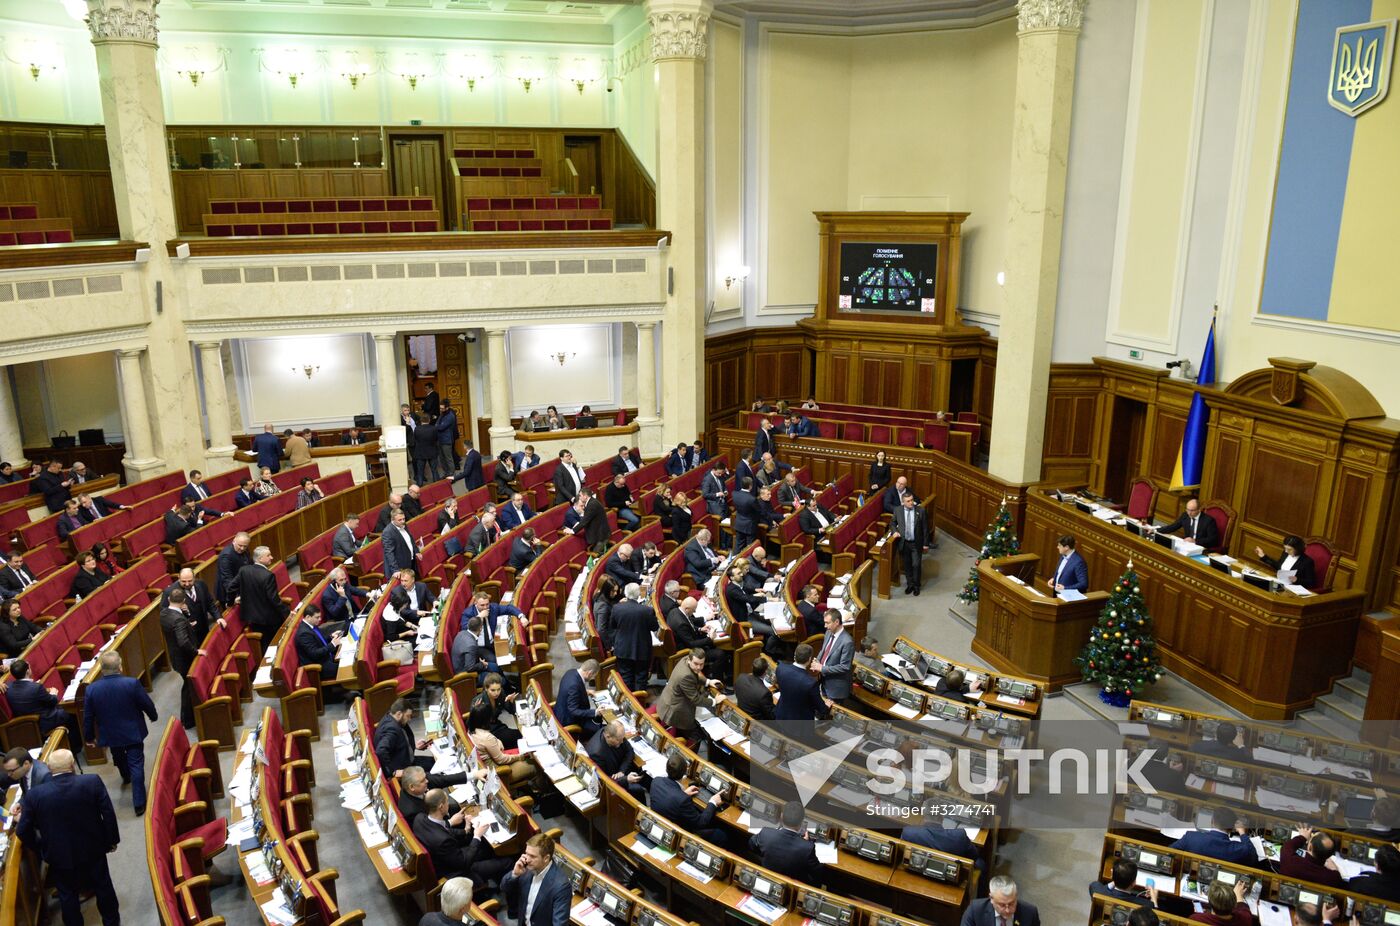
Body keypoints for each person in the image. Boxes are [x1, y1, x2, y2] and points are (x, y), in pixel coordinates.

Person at [15, 749, 121, 926]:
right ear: (72, 765)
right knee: (103, 887)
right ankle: (112, 922)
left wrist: (41, 848)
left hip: (59, 854)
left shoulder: (35, 795)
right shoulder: (91, 781)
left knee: (68, 895)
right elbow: (108, 814)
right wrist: (111, 841)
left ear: (49, 768)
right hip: (93, 848)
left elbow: (23, 830)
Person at [82, 651, 158, 814]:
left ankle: (125, 774)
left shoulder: (92, 690)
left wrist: (88, 737)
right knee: (136, 763)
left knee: (118, 756)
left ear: (102, 669)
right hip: (132, 732)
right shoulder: (131, 684)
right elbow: (146, 703)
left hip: (110, 734)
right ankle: (139, 803)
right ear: (120, 667)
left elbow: (88, 716)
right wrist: (153, 716)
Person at [413, 788, 512, 890]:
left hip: (448, 857)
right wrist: (477, 835)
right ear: (441, 807)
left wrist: (466, 829)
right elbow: (464, 863)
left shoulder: (419, 819)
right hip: (456, 871)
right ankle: (501, 889)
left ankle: (493, 874)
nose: (448, 804)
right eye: (447, 801)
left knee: (485, 848)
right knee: (507, 862)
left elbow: (443, 830)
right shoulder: (443, 841)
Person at [375, 698, 465, 787]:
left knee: (440, 762)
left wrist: (413, 746)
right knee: (440, 774)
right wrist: (393, 772)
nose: (410, 719)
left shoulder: (390, 716)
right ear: (399, 714)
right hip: (405, 768)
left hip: (407, 758)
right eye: (408, 716)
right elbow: (381, 751)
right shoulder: (391, 729)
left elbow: (396, 744)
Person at [650, 752, 731, 849]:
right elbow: (701, 823)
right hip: (680, 832)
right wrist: (712, 802)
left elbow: (671, 796)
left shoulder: (656, 781)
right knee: (721, 835)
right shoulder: (682, 800)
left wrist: (682, 793)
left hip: (660, 822)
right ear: (685, 772)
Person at [2, 657, 82, 747]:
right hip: (45, 720)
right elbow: (53, 701)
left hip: (28, 723)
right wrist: (53, 693)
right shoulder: (36, 688)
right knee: (72, 715)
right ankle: (76, 747)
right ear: (28, 671)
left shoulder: (8, 687)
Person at [501, 833, 570, 926]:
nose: (527, 859)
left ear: (546, 858)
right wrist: (515, 874)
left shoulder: (561, 886)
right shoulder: (525, 868)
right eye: (526, 854)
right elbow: (504, 888)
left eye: (532, 856)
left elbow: (559, 924)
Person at [656, 647, 721, 741]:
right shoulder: (685, 676)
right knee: (696, 737)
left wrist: (708, 682)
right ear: (690, 660)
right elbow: (696, 699)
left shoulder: (685, 659)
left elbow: (695, 674)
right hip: (675, 711)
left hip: (669, 700)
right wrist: (715, 701)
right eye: (696, 664)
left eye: (701, 664)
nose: (699, 667)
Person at [751, 801, 822, 886]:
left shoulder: (766, 833)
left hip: (766, 880)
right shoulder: (807, 847)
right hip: (791, 887)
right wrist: (805, 843)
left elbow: (751, 845)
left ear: (781, 817)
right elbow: (818, 873)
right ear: (801, 822)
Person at [160, 588, 201, 728]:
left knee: (188, 686)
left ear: (168, 600)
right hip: (184, 659)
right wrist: (196, 651)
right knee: (189, 687)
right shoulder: (178, 619)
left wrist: (187, 622)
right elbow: (183, 642)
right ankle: (188, 720)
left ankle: (188, 719)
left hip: (175, 657)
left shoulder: (164, 613)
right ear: (184, 601)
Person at [1170, 807, 1257, 864]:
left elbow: (1169, 852)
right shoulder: (1237, 849)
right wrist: (1242, 833)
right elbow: (1253, 857)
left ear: (1211, 822)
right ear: (1233, 828)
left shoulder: (1190, 837)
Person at [237, 545, 291, 638]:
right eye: (269, 555)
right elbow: (273, 599)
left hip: (252, 618)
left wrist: (230, 602)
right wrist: (287, 612)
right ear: (260, 559)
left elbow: (231, 587)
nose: (272, 557)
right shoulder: (268, 575)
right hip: (268, 620)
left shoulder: (243, 570)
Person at [612, 583, 658, 690]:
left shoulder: (617, 608)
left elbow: (613, 626)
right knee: (641, 677)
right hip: (641, 648)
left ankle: (627, 703)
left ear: (625, 594)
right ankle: (639, 702)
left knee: (625, 677)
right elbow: (654, 627)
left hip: (623, 648)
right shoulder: (647, 610)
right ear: (638, 594)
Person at [586, 721, 646, 802]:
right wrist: (626, 779)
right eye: (619, 740)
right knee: (638, 790)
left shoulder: (616, 734)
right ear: (608, 736)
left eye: (622, 738)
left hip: (619, 769)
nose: (622, 742)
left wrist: (621, 771)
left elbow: (630, 751)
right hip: (611, 783)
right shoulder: (597, 754)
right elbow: (604, 781)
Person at [775, 644, 831, 723]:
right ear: (809, 659)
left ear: (795, 656)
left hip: (780, 717)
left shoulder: (780, 668)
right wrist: (826, 706)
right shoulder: (811, 683)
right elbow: (821, 709)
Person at [961, 875, 1041, 926]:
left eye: (1011, 903)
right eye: (1002, 905)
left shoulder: (1030, 912)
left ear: (1016, 896)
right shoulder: (975, 910)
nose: (1007, 910)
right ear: (991, 898)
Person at [1279, 826, 1344, 888]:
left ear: (1310, 847)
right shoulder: (1332, 878)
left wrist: (1303, 837)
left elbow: (1287, 846)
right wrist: (1334, 869)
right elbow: (1337, 877)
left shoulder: (1291, 861)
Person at [892, 491, 930, 595]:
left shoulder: (920, 511)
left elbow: (925, 528)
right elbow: (893, 522)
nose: (911, 503)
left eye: (912, 500)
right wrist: (895, 531)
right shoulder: (898, 510)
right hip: (904, 543)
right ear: (903, 502)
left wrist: (926, 544)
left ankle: (917, 585)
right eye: (908, 501)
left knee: (916, 565)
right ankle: (910, 584)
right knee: (907, 565)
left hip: (916, 543)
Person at [294, 603, 341, 684]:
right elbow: (314, 653)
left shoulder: (311, 625)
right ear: (308, 617)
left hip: (326, 658)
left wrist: (331, 636)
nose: (320, 619)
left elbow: (319, 640)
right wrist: (332, 644)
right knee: (344, 667)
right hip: (319, 667)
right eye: (317, 617)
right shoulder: (303, 634)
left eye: (320, 616)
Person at [553, 659, 601, 737]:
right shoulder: (574, 686)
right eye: (594, 676)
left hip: (560, 711)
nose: (593, 678)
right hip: (569, 721)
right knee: (601, 730)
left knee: (598, 720)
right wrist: (595, 712)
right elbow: (573, 711)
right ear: (590, 673)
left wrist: (586, 691)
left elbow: (570, 691)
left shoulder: (571, 672)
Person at [815, 609, 853, 703]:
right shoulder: (828, 633)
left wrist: (822, 668)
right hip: (824, 681)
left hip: (836, 688)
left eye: (827, 623)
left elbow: (845, 667)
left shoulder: (847, 642)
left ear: (836, 622)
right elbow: (823, 650)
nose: (825, 626)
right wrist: (817, 661)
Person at [1152, 497, 1219, 549]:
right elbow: (1173, 526)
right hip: (1186, 545)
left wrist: (1195, 541)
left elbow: (1212, 540)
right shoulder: (1185, 515)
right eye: (1187, 510)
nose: (1189, 513)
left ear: (1199, 510)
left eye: (1192, 510)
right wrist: (1155, 530)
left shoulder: (1208, 521)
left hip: (1200, 547)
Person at [1253, 534, 1317, 589]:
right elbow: (1278, 567)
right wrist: (1263, 556)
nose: (1286, 551)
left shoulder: (1307, 562)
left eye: (1289, 549)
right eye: (1285, 548)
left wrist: (1297, 580)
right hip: (1279, 583)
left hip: (1292, 589)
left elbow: (1311, 582)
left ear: (1298, 548)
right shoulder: (1285, 553)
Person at [474, 674, 521, 748]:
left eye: (498, 689)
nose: (496, 693)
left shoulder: (501, 693)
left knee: (519, 734)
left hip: (498, 726)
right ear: (486, 688)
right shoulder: (478, 701)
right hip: (487, 733)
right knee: (518, 737)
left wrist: (510, 702)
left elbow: (511, 711)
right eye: (493, 690)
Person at [1089, 858, 1156, 907]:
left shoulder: (1095, 888)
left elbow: (1096, 886)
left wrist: (1115, 878)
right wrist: (1154, 899)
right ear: (1133, 883)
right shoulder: (1147, 905)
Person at [459, 589, 524, 637]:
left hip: (493, 640)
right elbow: (465, 630)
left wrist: (521, 616)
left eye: (487, 604)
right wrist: (479, 617)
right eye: (482, 605)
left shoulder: (493, 608)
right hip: (479, 645)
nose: (485, 607)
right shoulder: (468, 613)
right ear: (475, 603)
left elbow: (509, 608)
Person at [216, 532, 253, 607]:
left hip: (240, 588)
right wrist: (233, 597)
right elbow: (227, 578)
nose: (242, 548)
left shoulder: (245, 550)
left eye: (245, 546)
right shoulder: (226, 556)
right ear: (234, 541)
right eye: (240, 545)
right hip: (228, 594)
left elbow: (250, 565)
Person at [736, 657, 776, 722]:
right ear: (765, 672)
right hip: (757, 722)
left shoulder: (741, 677)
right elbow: (772, 716)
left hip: (742, 712)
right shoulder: (764, 693)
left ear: (752, 668)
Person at [383, 508, 418, 577]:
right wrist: (395, 570)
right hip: (400, 566)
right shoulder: (388, 532)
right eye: (400, 520)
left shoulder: (403, 525)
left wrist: (416, 551)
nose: (402, 521)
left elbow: (410, 539)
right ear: (392, 520)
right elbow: (389, 552)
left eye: (403, 519)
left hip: (409, 561)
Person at [591, 575, 623, 653]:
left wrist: (618, 604)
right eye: (613, 591)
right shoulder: (603, 606)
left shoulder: (600, 596)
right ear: (606, 590)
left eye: (616, 590)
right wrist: (609, 647)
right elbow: (601, 630)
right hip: (612, 636)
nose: (615, 594)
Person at [413, 418, 441, 483]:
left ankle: (419, 485)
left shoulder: (417, 429)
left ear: (421, 421)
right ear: (429, 420)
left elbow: (415, 439)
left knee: (420, 471)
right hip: (432, 451)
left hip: (420, 452)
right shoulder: (434, 428)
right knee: (434, 470)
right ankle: (436, 485)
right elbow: (436, 439)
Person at [436, 401, 460, 475]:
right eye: (440, 408)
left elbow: (441, 427)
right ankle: (446, 473)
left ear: (447, 408)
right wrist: (437, 426)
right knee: (442, 459)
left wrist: (437, 426)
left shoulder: (450, 416)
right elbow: (436, 424)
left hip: (446, 440)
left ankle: (452, 475)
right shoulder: (442, 414)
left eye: (442, 408)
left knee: (448, 459)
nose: (440, 410)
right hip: (440, 439)